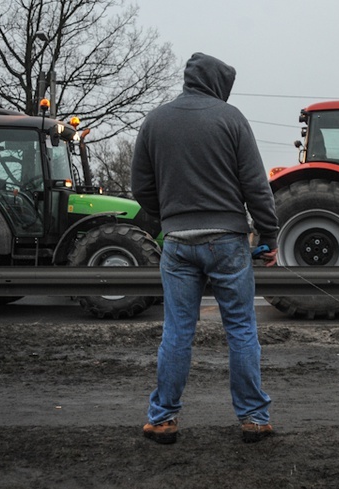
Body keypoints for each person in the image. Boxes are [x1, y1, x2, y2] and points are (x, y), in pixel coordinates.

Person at [131, 52, 279, 445]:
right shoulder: (231, 120)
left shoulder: (155, 120)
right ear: (218, 84)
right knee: (242, 330)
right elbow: (255, 187)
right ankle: (254, 419)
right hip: (228, 243)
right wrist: (269, 237)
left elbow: (141, 188)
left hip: (178, 245)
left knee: (177, 332)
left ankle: (162, 419)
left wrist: (171, 217)